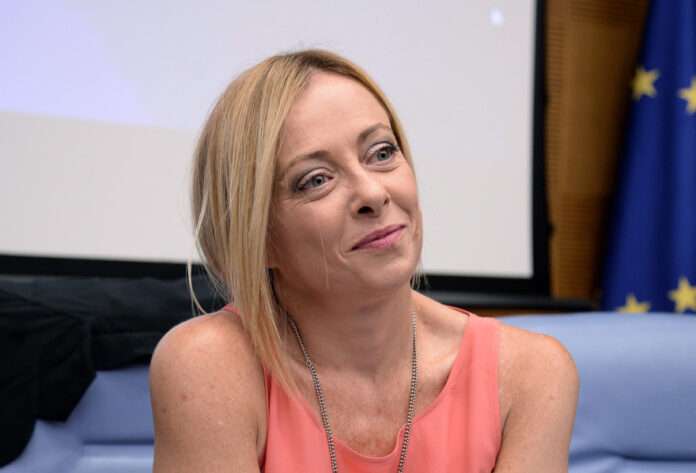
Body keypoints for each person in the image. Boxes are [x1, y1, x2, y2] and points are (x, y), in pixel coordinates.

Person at [149, 49, 579, 473]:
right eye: (316, 180)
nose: (373, 194)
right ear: (258, 238)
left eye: (382, 153)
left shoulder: (530, 375)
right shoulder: (207, 367)